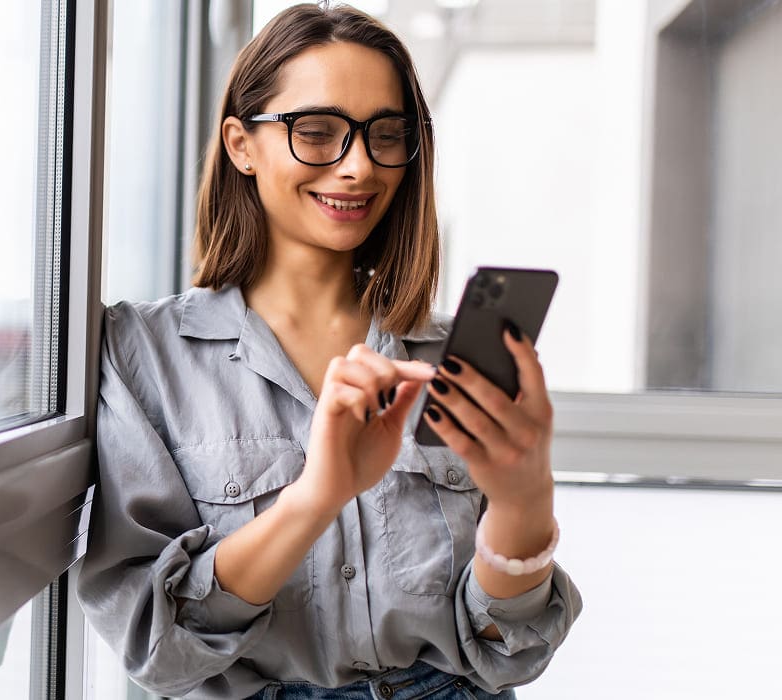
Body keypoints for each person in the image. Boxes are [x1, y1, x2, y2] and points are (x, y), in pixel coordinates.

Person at [75, 4, 582, 699]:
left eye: (386, 135)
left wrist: (525, 505)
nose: (359, 166)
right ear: (241, 144)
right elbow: (158, 647)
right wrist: (314, 500)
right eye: (316, 132)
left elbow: (506, 644)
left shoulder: (448, 361)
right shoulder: (145, 357)